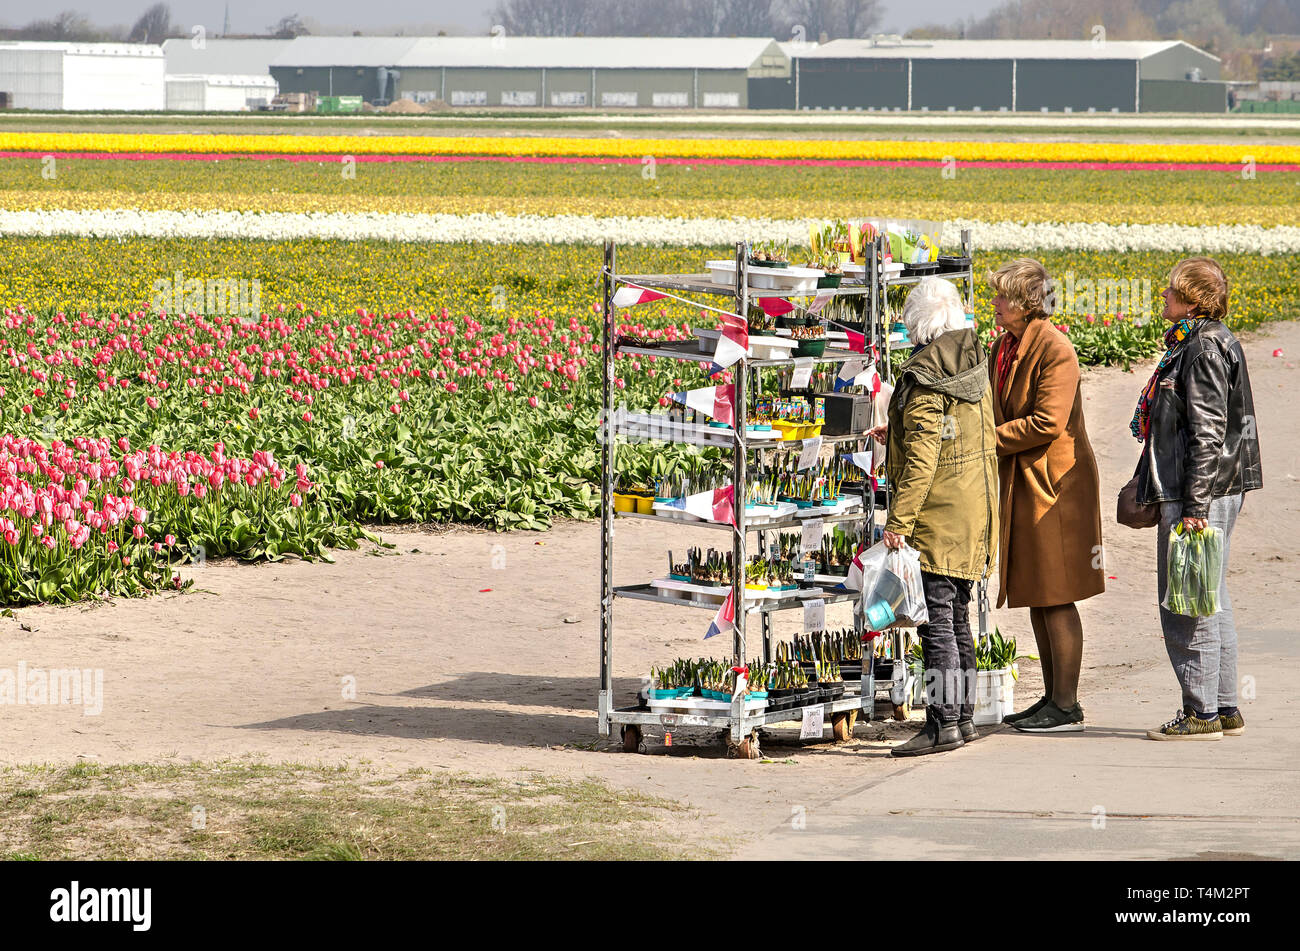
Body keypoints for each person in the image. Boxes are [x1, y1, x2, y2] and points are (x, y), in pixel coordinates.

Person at [1132, 257, 1262, 740]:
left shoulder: (1202, 347)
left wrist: (1193, 508)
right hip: (1218, 485)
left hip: (1202, 488)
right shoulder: (1210, 339)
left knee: (1187, 600)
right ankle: (1225, 707)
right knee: (1213, 593)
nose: (1163, 297)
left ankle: (1200, 712)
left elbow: (1207, 433)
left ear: (1192, 300)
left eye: (1171, 291)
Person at [871, 277, 998, 757]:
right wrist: (899, 432)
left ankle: (940, 724)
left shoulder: (925, 376)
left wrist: (898, 521)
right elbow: (949, 439)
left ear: (916, 321)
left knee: (936, 623)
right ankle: (962, 720)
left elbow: (924, 460)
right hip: (974, 509)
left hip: (939, 514)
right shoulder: (971, 360)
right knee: (957, 616)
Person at [988, 258, 1104, 733]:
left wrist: (984, 438)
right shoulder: (1005, 345)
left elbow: (1047, 424)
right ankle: (1054, 698)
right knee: (1038, 590)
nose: (993, 302)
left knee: (1056, 593)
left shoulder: (1056, 349)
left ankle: (1067, 703)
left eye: (1000, 296)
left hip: (1056, 486)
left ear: (1025, 303)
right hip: (1025, 478)